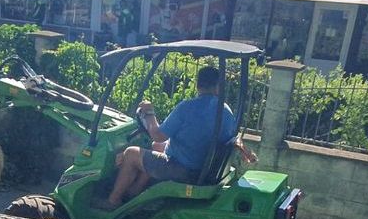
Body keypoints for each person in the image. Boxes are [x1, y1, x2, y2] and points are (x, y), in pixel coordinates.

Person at [103, 65, 257, 209]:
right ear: (218, 86)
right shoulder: (225, 110)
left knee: (131, 153)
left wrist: (149, 113)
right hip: (202, 165)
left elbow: (157, 135)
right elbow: (233, 137)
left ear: (198, 85)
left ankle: (113, 200)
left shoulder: (187, 107)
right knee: (156, 148)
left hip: (183, 170)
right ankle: (135, 191)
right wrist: (246, 152)